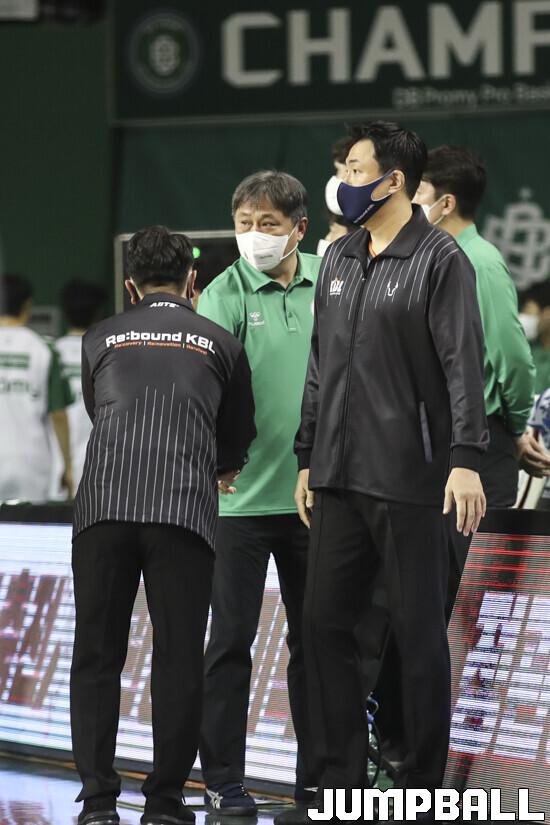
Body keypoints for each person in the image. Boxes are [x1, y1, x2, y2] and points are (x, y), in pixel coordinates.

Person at [286, 121, 489, 824]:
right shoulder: (340, 257)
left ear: (393, 179)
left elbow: (465, 364)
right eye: (343, 167)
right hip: (338, 475)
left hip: (412, 475)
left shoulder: (440, 260)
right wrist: (307, 454)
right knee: (323, 626)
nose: (344, 179)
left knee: (417, 633)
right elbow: (321, 364)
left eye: (355, 167)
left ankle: (424, 787)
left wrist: (466, 459)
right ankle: (339, 784)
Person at [70, 226, 256, 825]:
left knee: (96, 655)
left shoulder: (98, 337)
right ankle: (165, 802)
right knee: (178, 657)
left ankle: (99, 802)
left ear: (130, 286)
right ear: (192, 281)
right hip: (183, 512)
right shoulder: (222, 343)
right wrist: (219, 465)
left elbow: (99, 409)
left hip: (103, 510)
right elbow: (236, 440)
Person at [197, 171, 320, 815]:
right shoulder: (221, 295)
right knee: (229, 645)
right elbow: (206, 394)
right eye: (244, 223)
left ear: (300, 227)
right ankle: (223, 780)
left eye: (268, 224)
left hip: (315, 500)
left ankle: (318, 784)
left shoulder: (332, 279)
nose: (254, 235)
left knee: (318, 647)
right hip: (236, 504)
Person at [414, 145, 549, 614]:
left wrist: (514, 426)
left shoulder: (480, 262)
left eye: (419, 191)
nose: (408, 200)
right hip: (437, 442)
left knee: (479, 585)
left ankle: (477, 666)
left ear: (446, 202)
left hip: (483, 440)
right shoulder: (431, 258)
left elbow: (513, 359)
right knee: (440, 583)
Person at [0, 273, 73, 503]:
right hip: (31, 464)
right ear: (27, 305)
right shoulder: (43, 349)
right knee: (28, 525)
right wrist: (68, 466)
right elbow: (58, 415)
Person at [56, 279, 107, 489]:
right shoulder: (107, 353)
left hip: (58, 466)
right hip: (99, 465)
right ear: (98, 314)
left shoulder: (53, 351)